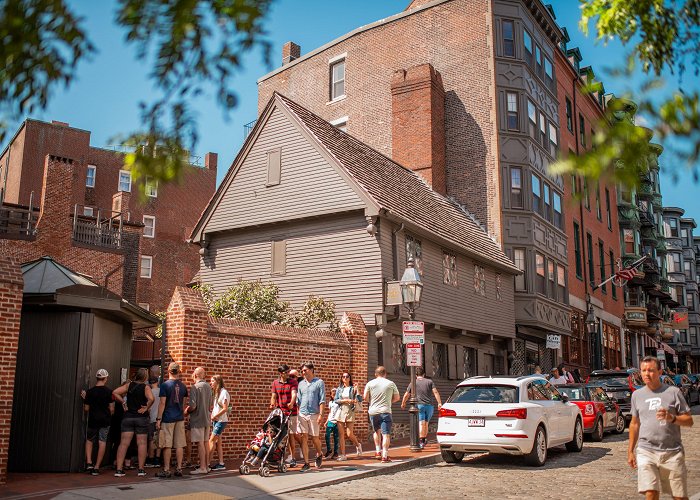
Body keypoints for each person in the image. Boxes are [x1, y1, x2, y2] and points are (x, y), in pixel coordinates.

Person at [628, 356, 693, 500]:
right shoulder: (637, 395)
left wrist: (672, 418)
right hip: (646, 450)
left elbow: (689, 421)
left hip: (672, 452)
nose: (646, 374)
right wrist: (630, 451)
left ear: (659, 372)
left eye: (651, 370)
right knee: (651, 492)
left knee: (679, 496)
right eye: (644, 370)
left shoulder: (673, 392)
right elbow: (634, 423)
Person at [112, 368, 154, 477]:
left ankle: (119, 470)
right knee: (142, 443)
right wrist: (146, 408)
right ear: (145, 377)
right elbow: (152, 398)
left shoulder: (128, 385)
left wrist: (123, 402)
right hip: (141, 418)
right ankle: (140, 469)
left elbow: (115, 392)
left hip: (128, 417)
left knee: (124, 443)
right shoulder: (146, 387)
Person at [156, 362, 189, 478]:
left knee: (167, 445)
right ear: (179, 371)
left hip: (167, 417)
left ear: (168, 371)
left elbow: (162, 403)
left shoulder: (165, 385)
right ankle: (179, 468)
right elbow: (184, 404)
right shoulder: (184, 386)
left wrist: (158, 419)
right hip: (179, 417)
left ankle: (166, 469)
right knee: (179, 444)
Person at [364, 366, 399, 463]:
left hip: (373, 411)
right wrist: (388, 401)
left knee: (376, 431)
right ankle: (385, 456)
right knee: (386, 434)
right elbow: (397, 397)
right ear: (385, 374)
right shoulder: (390, 383)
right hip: (385, 411)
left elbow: (365, 397)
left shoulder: (370, 383)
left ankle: (377, 451)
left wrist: (372, 402)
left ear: (375, 374)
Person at [400, 367, 442, 449]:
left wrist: (403, 403)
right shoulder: (430, 381)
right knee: (426, 423)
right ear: (424, 374)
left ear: (415, 375)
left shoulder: (413, 383)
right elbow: (435, 392)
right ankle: (424, 439)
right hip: (430, 406)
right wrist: (439, 403)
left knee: (421, 423)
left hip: (419, 406)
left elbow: (406, 394)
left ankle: (421, 441)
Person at [82, 368, 114, 475]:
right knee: (102, 441)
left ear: (97, 378)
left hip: (93, 419)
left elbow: (86, 409)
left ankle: (89, 462)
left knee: (90, 440)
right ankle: (96, 467)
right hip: (105, 420)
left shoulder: (90, 392)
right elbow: (112, 409)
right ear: (105, 378)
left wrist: (85, 399)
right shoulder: (109, 392)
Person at [296, 362, 326, 472]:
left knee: (314, 437)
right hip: (302, 413)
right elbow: (298, 400)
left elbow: (322, 400)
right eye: (302, 371)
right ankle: (306, 463)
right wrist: (298, 413)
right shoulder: (301, 384)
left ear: (312, 370)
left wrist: (321, 415)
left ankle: (319, 453)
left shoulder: (319, 382)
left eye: (305, 370)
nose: (303, 372)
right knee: (304, 437)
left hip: (314, 413)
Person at [270, 364, 299, 467]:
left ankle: (292, 457)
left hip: (291, 413)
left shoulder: (293, 382)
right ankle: (276, 456)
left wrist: (291, 403)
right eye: (286, 373)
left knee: (291, 435)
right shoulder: (275, 383)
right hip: (280, 413)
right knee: (278, 435)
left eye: (288, 372)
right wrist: (272, 403)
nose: (288, 374)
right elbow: (273, 396)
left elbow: (294, 394)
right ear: (280, 373)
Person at [187, 367, 212, 475]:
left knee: (200, 443)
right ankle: (206, 466)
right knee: (206, 443)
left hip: (197, 418)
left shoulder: (195, 387)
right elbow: (210, 403)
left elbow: (193, 405)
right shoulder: (208, 386)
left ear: (195, 375)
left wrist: (186, 411)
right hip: (207, 418)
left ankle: (202, 467)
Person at [334, 372, 363, 459]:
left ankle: (358, 445)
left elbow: (359, 399)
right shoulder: (339, 389)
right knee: (341, 434)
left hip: (350, 410)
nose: (345, 378)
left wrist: (357, 390)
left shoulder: (352, 388)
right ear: (341, 378)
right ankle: (343, 455)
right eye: (343, 377)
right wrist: (345, 400)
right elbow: (336, 400)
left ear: (349, 378)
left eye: (347, 376)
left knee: (349, 434)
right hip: (341, 410)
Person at [209, 374, 229, 471]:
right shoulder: (217, 392)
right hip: (216, 420)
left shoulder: (224, 392)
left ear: (218, 382)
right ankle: (221, 463)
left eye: (212, 381)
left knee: (211, 441)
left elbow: (225, 408)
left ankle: (206, 463)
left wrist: (215, 416)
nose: (211, 383)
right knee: (218, 443)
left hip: (220, 421)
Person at [146, 376, 161, 468]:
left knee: (151, 439)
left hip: (151, 417)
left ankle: (150, 459)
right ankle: (157, 459)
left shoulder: (148, 392)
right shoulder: (161, 391)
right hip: (160, 417)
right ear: (158, 382)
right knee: (158, 439)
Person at [324, 388, 340, 459]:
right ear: (330, 395)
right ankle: (329, 450)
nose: (334, 394)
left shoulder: (339, 402)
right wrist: (327, 421)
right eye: (332, 393)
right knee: (327, 435)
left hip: (337, 421)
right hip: (330, 421)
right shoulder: (330, 403)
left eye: (335, 393)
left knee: (336, 437)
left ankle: (336, 452)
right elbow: (330, 412)